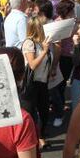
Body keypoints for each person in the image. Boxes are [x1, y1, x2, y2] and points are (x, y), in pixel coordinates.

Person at [22, 17, 53, 148]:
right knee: (30, 112)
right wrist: (45, 51)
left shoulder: (42, 42)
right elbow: (32, 65)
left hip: (43, 81)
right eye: (43, 26)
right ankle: (32, 140)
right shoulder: (29, 43)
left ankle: (41, 137)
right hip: (32, 83)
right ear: (37, 28)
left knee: (44, 111)